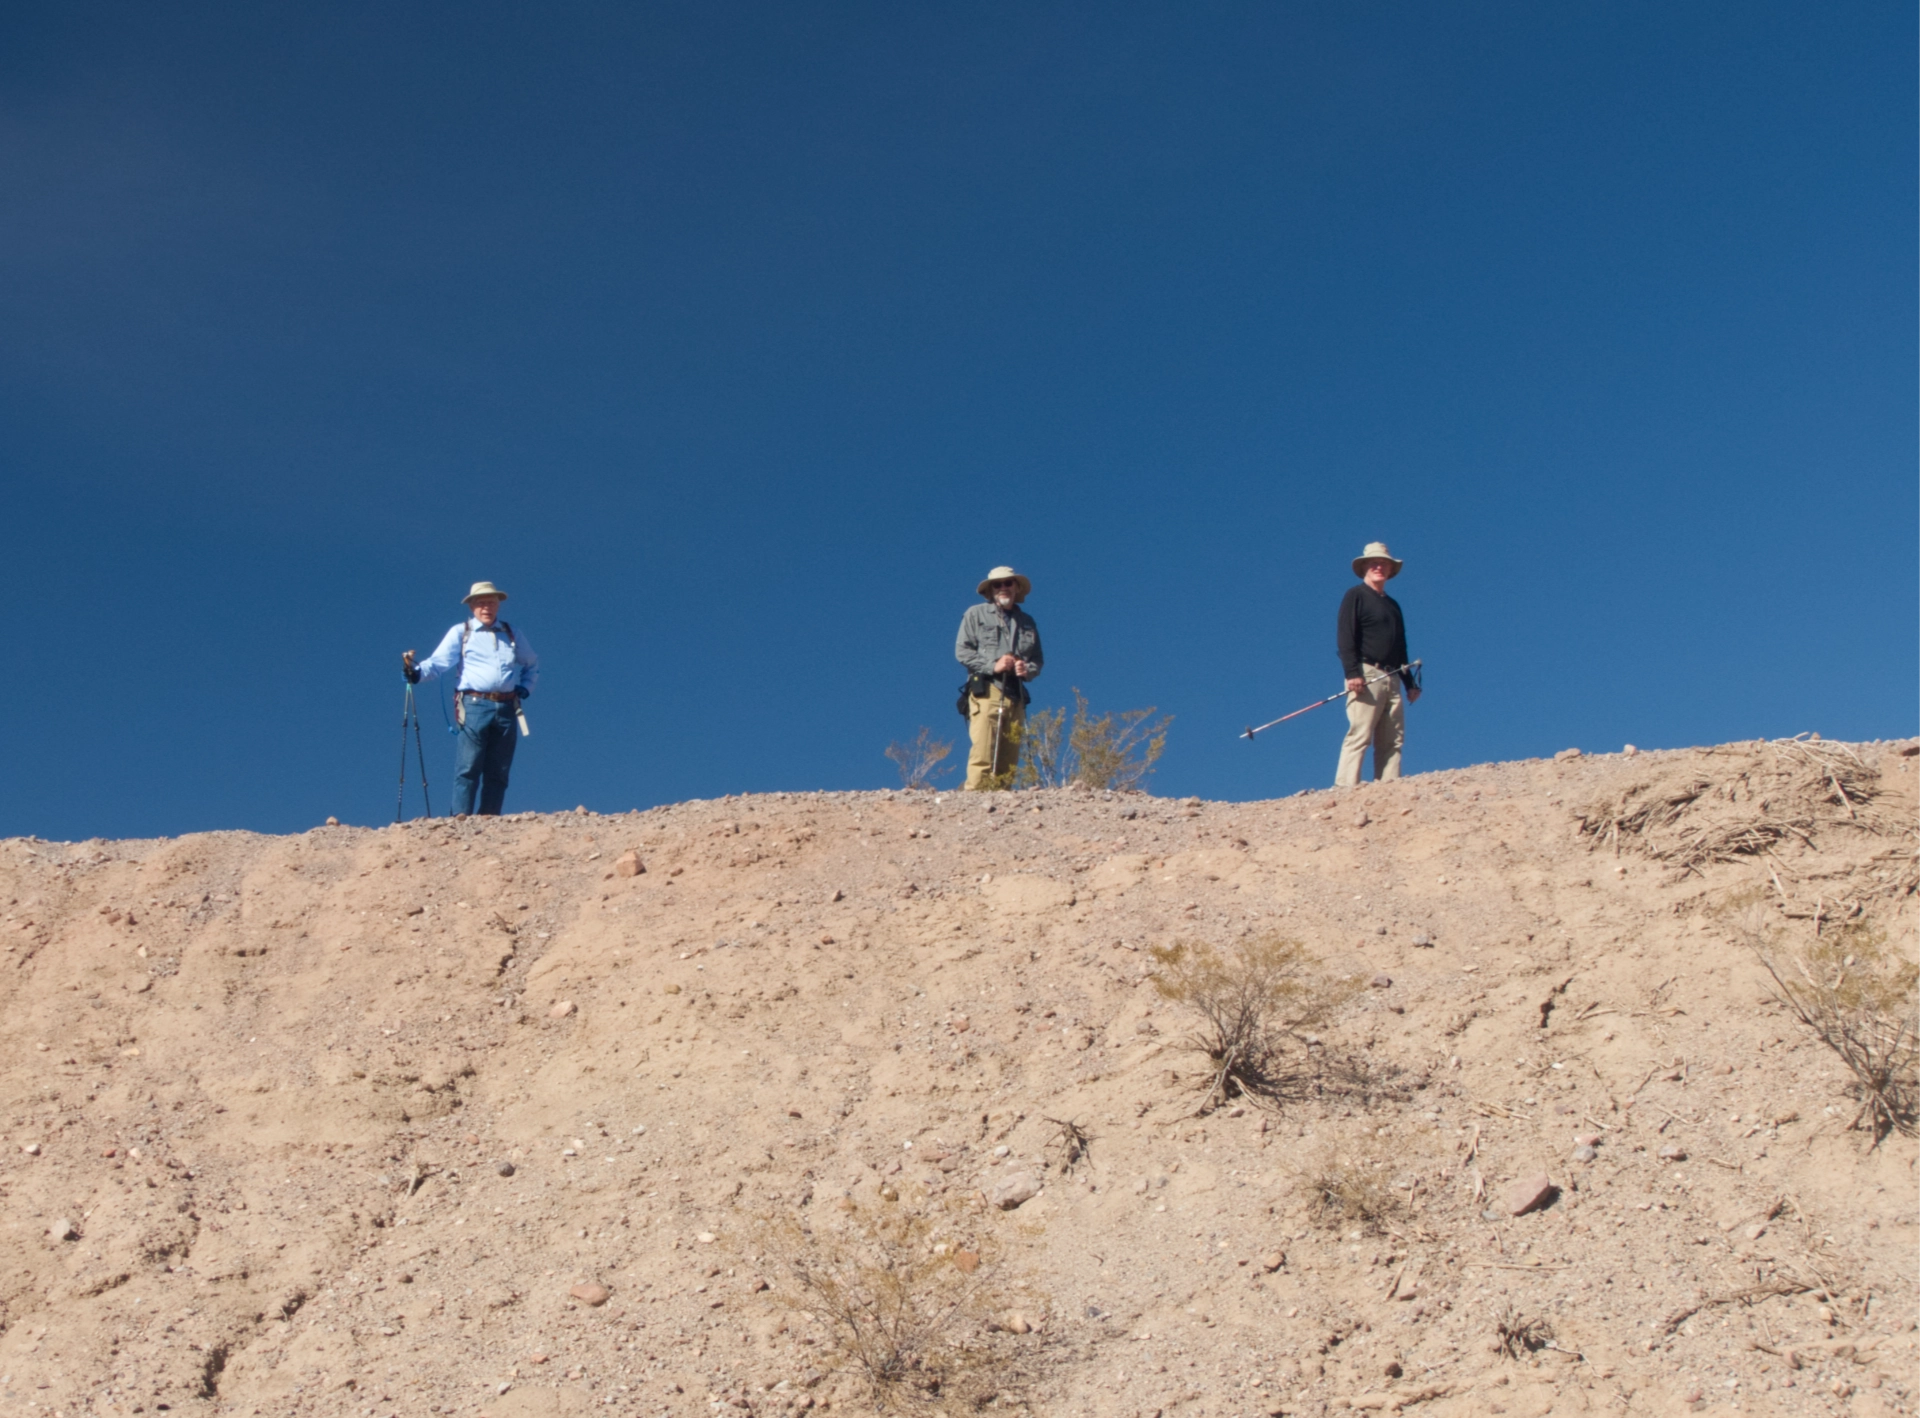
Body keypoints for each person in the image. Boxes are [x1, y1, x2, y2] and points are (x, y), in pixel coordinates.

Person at [403, 581, 540, 816]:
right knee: (468, 767)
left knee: (499, 769)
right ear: (472, 607)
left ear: (498, 605)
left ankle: (489, 819)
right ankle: (460, 820)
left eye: (491, 602)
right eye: (481, 602)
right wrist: (416, 674)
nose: (486, 607)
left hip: (507, 706)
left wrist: (525, 688)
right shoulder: (461, 632)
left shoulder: (512, 633)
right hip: (475, 706)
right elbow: (438, 663)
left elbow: (531, 663)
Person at [1335, 542, 1420, 786]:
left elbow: (1400, 646)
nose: (1379, 566)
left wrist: (1409, 682)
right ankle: (1345, 787)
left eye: (1383, 563)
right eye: (1374, 563)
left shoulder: (1393, 606)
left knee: (1392, 739)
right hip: (1366, 673)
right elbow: (1345, 636)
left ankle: (1388, 788)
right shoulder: (1355, 596)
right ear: (1364, 567)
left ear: (1390, 569)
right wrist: (1353, 672)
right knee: (1360, 732)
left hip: (1392, 675)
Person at [955, 566, 1044, 790]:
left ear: (1016, 587)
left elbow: (1037, 659)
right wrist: (993, 666)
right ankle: (975, 801)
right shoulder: (976, 614)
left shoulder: (1027, 622)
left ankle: (1001, 807)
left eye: (1008, 583)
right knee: (984, 751)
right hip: (987, 688)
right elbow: (962, 651)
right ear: (991, 590)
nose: (1003, 587)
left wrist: (1027, 669)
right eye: (997, 584)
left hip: (1016, 694)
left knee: (1009, 757)